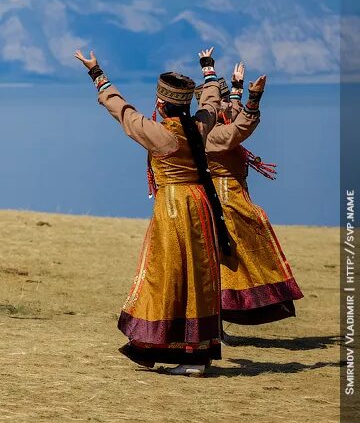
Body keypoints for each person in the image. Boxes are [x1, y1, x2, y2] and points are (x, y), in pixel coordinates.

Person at [75, 46, 245, 376]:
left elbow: (122, 112)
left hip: (174, 209)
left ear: (161, 103)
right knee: (196, 277)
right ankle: (192, 353)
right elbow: (210, 103)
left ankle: (169, 348)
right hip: (201, 203)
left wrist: (97, 74)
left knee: (167, 274)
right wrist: (208, 70)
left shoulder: (160, 135)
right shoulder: (199, 126)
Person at [196, 63, 302, 332]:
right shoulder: (213, 135)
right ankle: (215, 324)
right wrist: (254, 98)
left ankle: (219, 320)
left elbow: (233, 114)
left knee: (225, 261)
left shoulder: (212, 125)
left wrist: (237, 86)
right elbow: (239, 128)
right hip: (224, 202)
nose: (226, 105)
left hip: (230, 196)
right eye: (218, 101)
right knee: (221, 261)